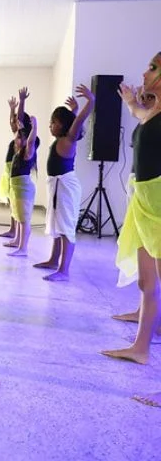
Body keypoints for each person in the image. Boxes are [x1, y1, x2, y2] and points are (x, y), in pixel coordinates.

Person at [102, 53, 161, 365]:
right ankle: (141, 346)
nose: (145, 71)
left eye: (153, 67)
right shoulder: (152, 111)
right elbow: (139, 113)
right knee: (146, 281)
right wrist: (129, 100)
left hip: (158, 204)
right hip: (144, 202)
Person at [33, 85, 94, 281]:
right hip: (58, 187)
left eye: (54, 123)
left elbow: (78, 122)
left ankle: (63, 270)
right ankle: (53, 260)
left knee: (66, 227)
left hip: (65, 188)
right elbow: (72, 121)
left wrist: (90, 101)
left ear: (63, 126)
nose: (50, 126)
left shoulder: (69, 139)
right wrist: (73, 110)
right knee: (57, 225)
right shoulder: (62, 137)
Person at [4, 88, 39, 257]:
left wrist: (35, 127)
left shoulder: (27, 150)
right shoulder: (19, 150)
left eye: (18, 136)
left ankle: (23, 248)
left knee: (23, 219)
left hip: (23, 187)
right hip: (16, 186)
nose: (15, 139)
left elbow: (31, 140)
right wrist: (13, 109)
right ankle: (18, 241)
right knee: (18, 216)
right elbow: (15, 123)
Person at [0, 96, 21, 239]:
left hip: (14, 172)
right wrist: (12, 110)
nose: (13, 124)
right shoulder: (16, 135)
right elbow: (11, 123)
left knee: (16, 203)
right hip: (9, 171)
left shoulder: (21, 138)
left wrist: (20, 106)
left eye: (16, 121)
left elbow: (15, 123)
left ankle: (16, 230)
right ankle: (12, 229)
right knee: (12, 202)